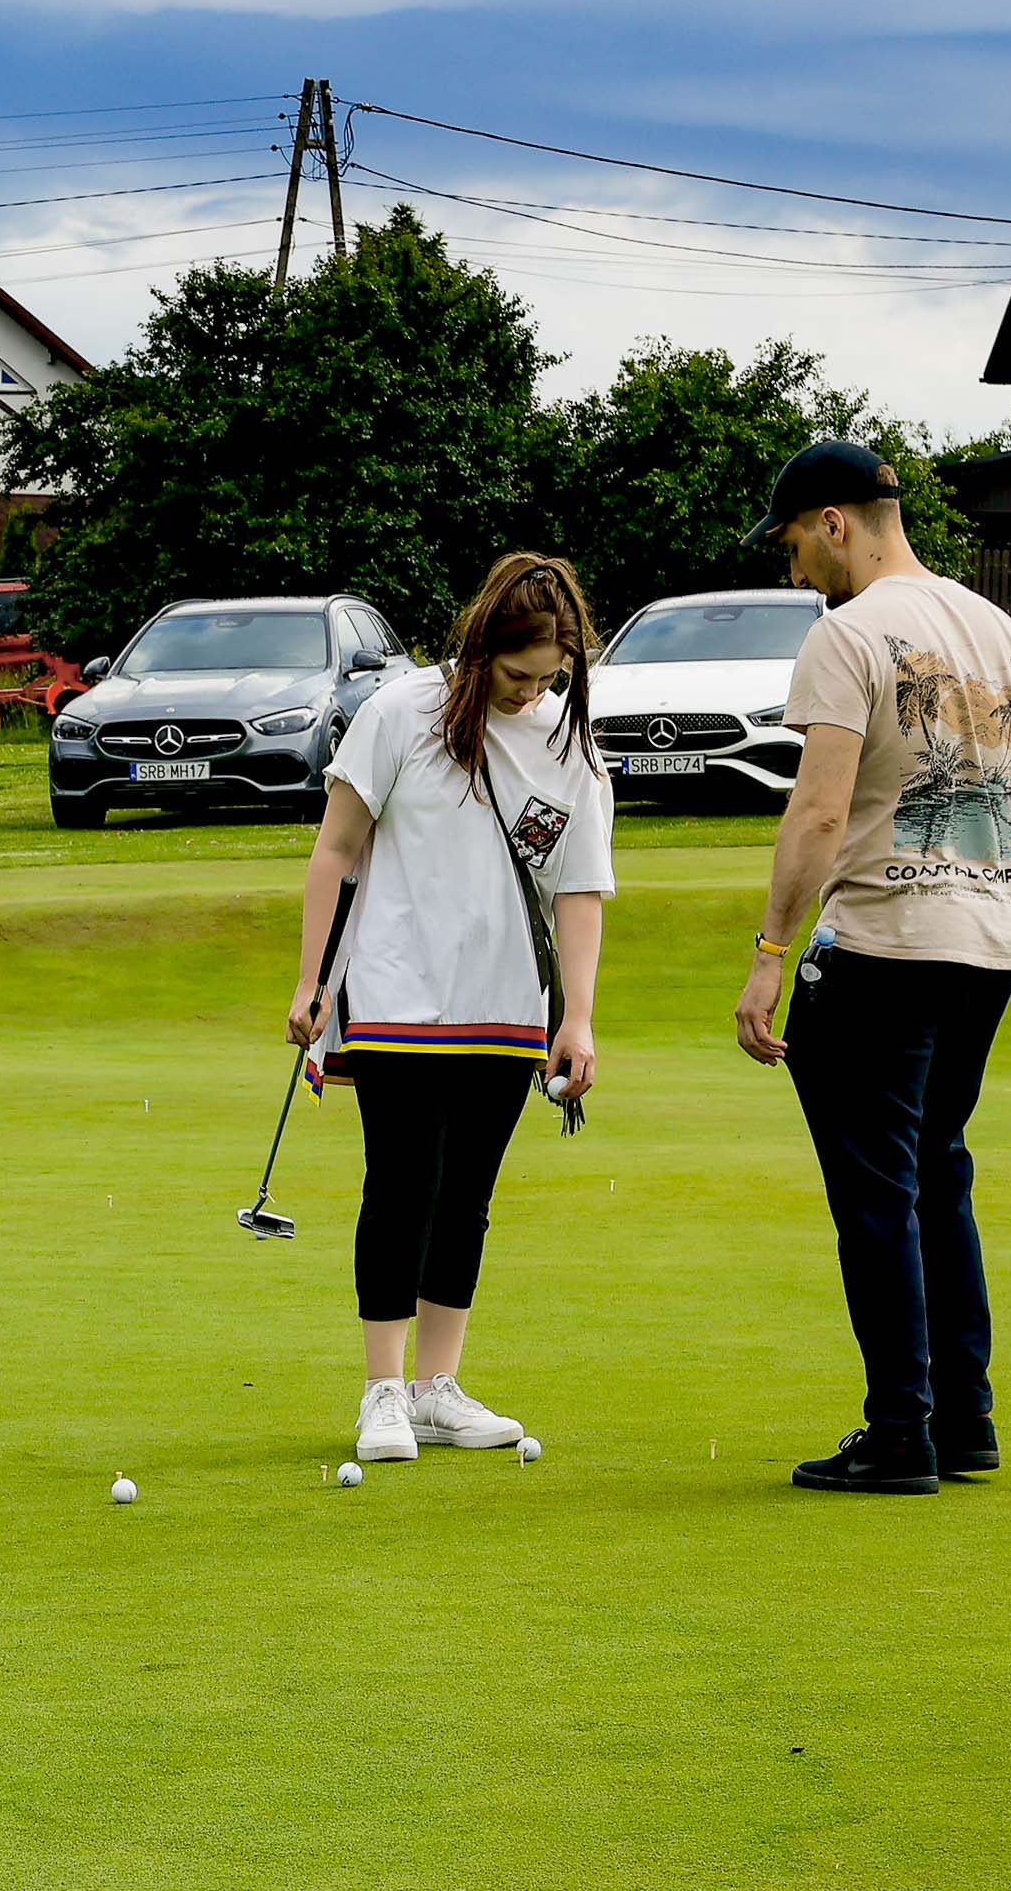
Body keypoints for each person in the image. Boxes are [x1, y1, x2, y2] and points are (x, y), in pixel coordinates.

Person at [730, 440, 1011, 1494]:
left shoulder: (849, 634)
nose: (797, 568)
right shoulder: (1000, 631)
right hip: (983, 946)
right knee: (936, 1166)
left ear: (837, 521)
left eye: (798, 542)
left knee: (879, 1189)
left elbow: (818, 809)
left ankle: (902, 1430)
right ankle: (964, 1416)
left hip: (884, 939)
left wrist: (770, 956)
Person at [290, 553, 614, 1469]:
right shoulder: (399, 713)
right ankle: (382, 1390)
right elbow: (335, 851)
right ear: (478, 650)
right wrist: (310, 980)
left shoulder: (568, 744)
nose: (530, 694)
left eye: (549, 679)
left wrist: (577, 1018)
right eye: (517, 675)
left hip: (508, 1005)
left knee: (466, 1198)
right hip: (395, 993)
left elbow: (580, 890)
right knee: (401, 1187)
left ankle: (438, 1389)